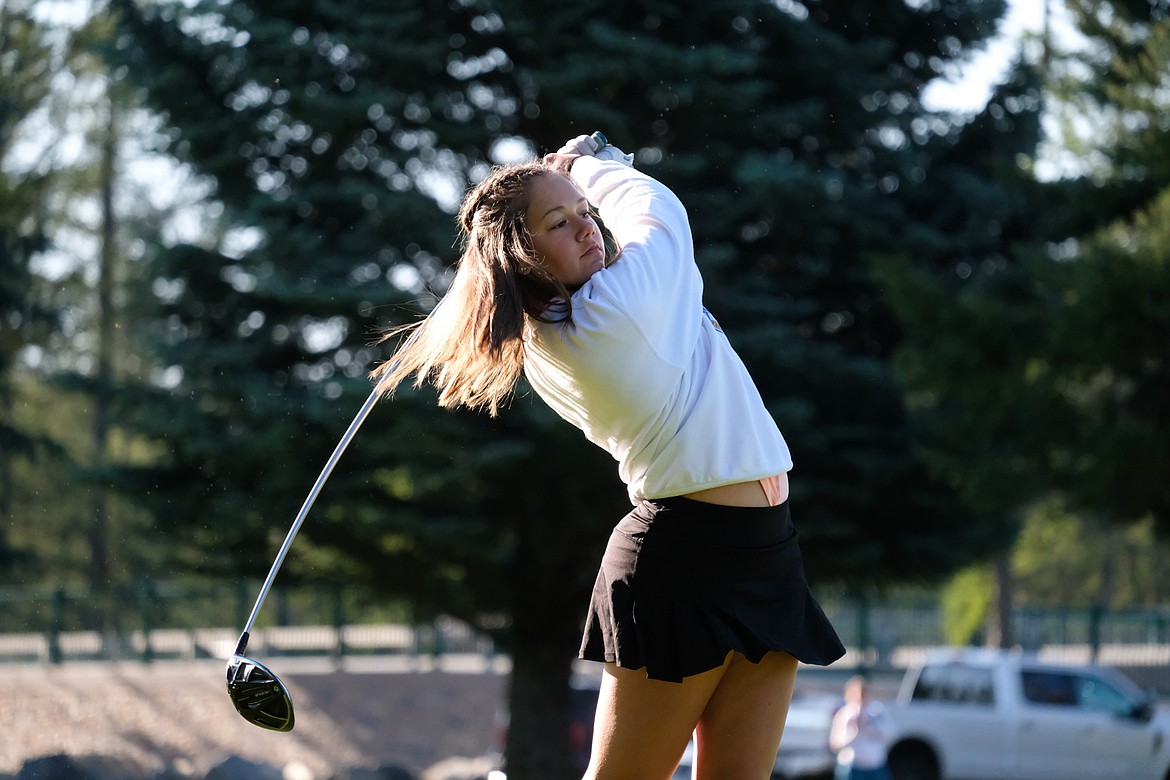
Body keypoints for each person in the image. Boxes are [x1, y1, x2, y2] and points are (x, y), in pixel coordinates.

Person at [371, 135, 845, 780]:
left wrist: (566, 183)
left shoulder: (572, 320)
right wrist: (594, 167)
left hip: (766, 549)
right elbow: (659, 211)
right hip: (683, 560)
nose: (588, 229)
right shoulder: (615, 311)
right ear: (524, 253)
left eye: (586, 212)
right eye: (558, 224)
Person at [829, 676, 897, 780]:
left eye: (864, 694)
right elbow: (835, 744)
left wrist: (869, 725)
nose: (861, 698)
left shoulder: (878, 711)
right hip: (852, 765)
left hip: (876, 765)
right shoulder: (845, 714)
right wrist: (853, 731)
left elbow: (890, 734)